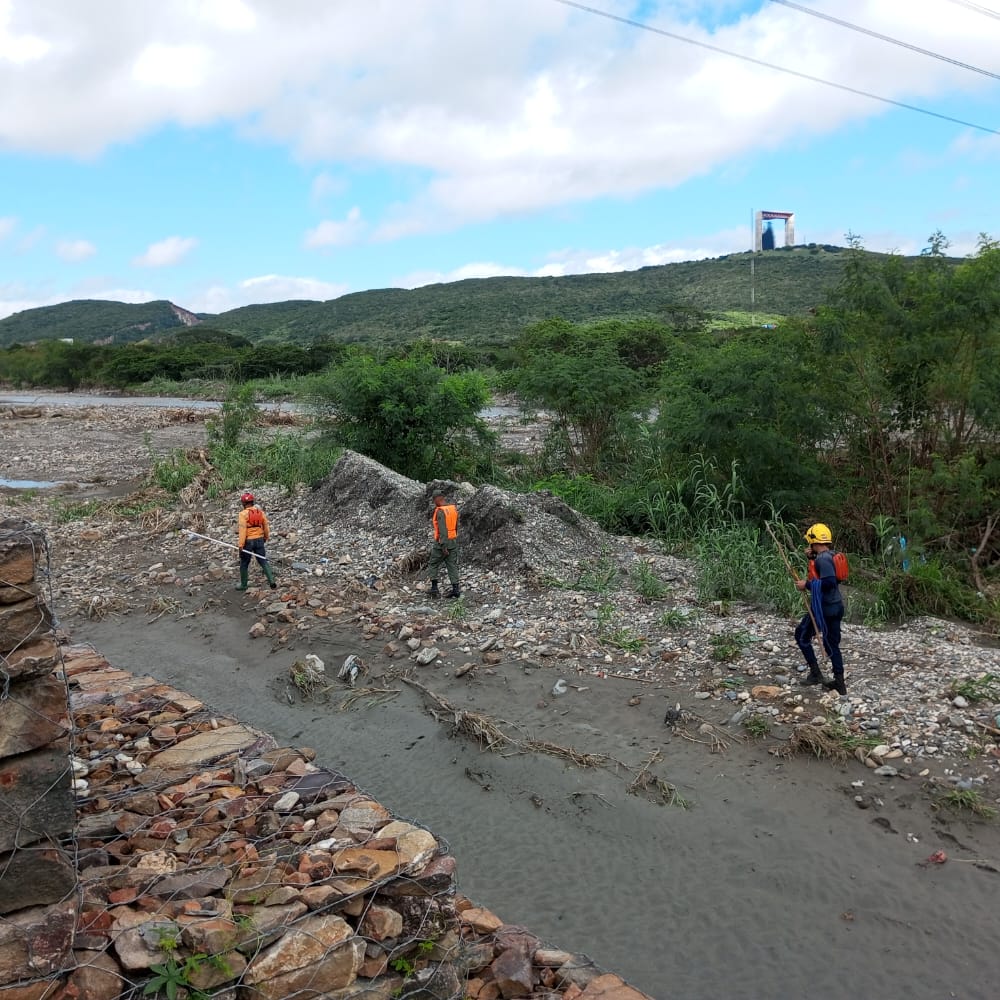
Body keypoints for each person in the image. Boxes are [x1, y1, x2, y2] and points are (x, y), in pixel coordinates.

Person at [794, 522, 846, 695]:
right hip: (836, 605)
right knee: (832, 643)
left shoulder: (823, 559)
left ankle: (816, 673)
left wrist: (806, 584)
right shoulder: (830, 555)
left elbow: (829, 582)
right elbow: (822, 574)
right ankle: (839, 683)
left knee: (801, 635)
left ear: (813, 541)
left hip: (824, 608)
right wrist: (811, 559)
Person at [236, 491, 276, 591]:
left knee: (244, 562)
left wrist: (241, 545)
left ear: (243, 503)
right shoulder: (260, 512)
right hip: (259, 540)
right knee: (262, 560)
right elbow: (266, 526)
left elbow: (242, 530)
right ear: (252, 502)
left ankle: (243, 585)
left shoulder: (242, 514)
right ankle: (272, 582)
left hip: (248, 542)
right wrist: (266, 537)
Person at [428, 491, 461, 599]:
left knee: (433, 563)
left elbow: (442, 530)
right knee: (452, 565)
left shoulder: (440, 511)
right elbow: (456, 526)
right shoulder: (452, 509)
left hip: (442, 543)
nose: (434, 502)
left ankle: (434, 588)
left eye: (434, 500)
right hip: (453, 541)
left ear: (438, 498)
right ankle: (456, 590)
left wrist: (443, 546)